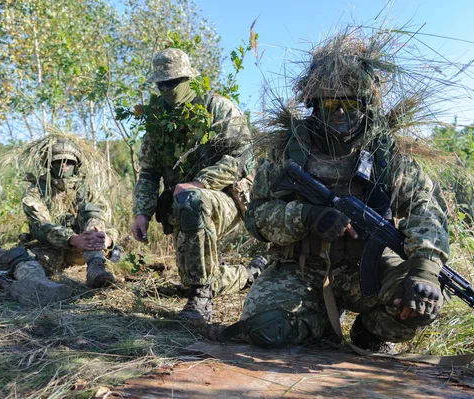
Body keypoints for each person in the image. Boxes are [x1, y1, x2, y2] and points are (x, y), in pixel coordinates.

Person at [236, 30, 450, 351]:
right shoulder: (288, 151)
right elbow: (256, 218)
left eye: (349, 104)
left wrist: (424, 269)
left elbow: (427, 210)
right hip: (302, 268)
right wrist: (307, 216)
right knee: (267, 328)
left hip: (370, 269)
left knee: (420, 302)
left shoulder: (386, 155)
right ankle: (318, 321)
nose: (339, 112)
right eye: (330, 103)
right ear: (313, 105)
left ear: (366, 106)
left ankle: (371, 331)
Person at [131, 48, 264, 322]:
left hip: (224, 200)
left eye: (173, 82)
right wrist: (141, 213)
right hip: (182, 207)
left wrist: (200, 182)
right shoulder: (158, 122)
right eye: (161, 84)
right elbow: (148, 173)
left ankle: (200, 300)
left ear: (188, 79)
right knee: (194, 271)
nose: (167, 89)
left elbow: (243, 157)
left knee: (193, 201)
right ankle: (249, 274)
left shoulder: (218, 108)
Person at [21, 136, 120, 289]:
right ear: (49, 164)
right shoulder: (36, 192)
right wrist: (72, 238)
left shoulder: (87, 189)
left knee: (92, 214)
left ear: (76, 164)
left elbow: (104, 221)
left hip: (85, 251)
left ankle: (96, 269)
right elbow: (43, 226)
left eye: (69, 162)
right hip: (50, 250)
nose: (64, 165)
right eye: (58, 161)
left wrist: (108, 240)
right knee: (25, 263)